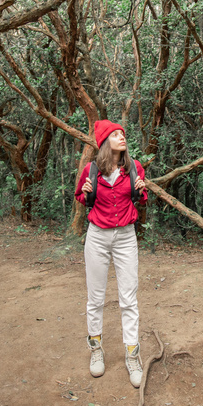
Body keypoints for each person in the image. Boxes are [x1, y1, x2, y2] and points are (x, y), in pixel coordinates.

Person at [74, 119, 148, 387]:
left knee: (129, 298)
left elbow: (141, 197)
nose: (122, 137)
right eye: (116, 134)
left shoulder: (133, 168)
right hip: (97, 236)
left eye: (123, 134)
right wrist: (85, 193)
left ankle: (132, 355)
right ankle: (96, 350)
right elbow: (82, 198)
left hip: (126, 237)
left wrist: (141, 191)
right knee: (95, 298)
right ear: (105, 142)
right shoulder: (91, 170)